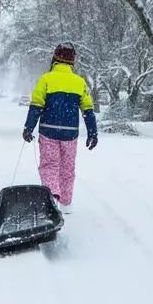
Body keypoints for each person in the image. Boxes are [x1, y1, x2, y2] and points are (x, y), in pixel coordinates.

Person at [22, 43, 98, 214]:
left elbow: (36, 105)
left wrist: (29, 127)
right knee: (67, 168)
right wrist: (92, 132)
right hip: (70, 134)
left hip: (48, 131)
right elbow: (88, 109)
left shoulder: (46, 79)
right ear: (73, 62)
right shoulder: (79, 82)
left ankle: (51, 198)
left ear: (55, 59)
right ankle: (66, 203)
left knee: (49, 165)